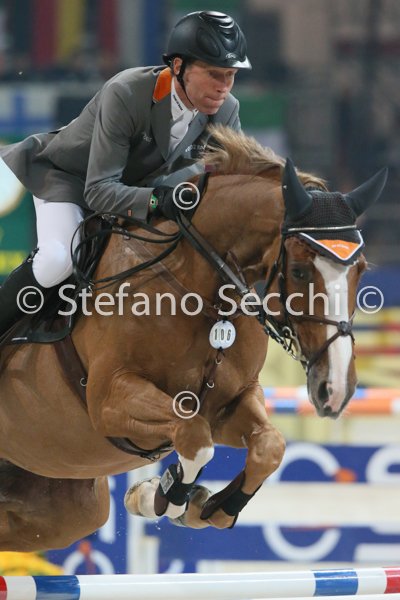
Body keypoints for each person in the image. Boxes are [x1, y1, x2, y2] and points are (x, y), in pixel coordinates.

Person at [0, 11, 251, 336]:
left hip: (138, 189)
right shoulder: (127, 92)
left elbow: (234, 185)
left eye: (230, 75)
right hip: (70, 179)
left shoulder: (227, 110)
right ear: (178, 66)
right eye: (214, 74)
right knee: (57, 262)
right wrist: (161, 200)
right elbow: (99, 191)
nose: (223, 88)